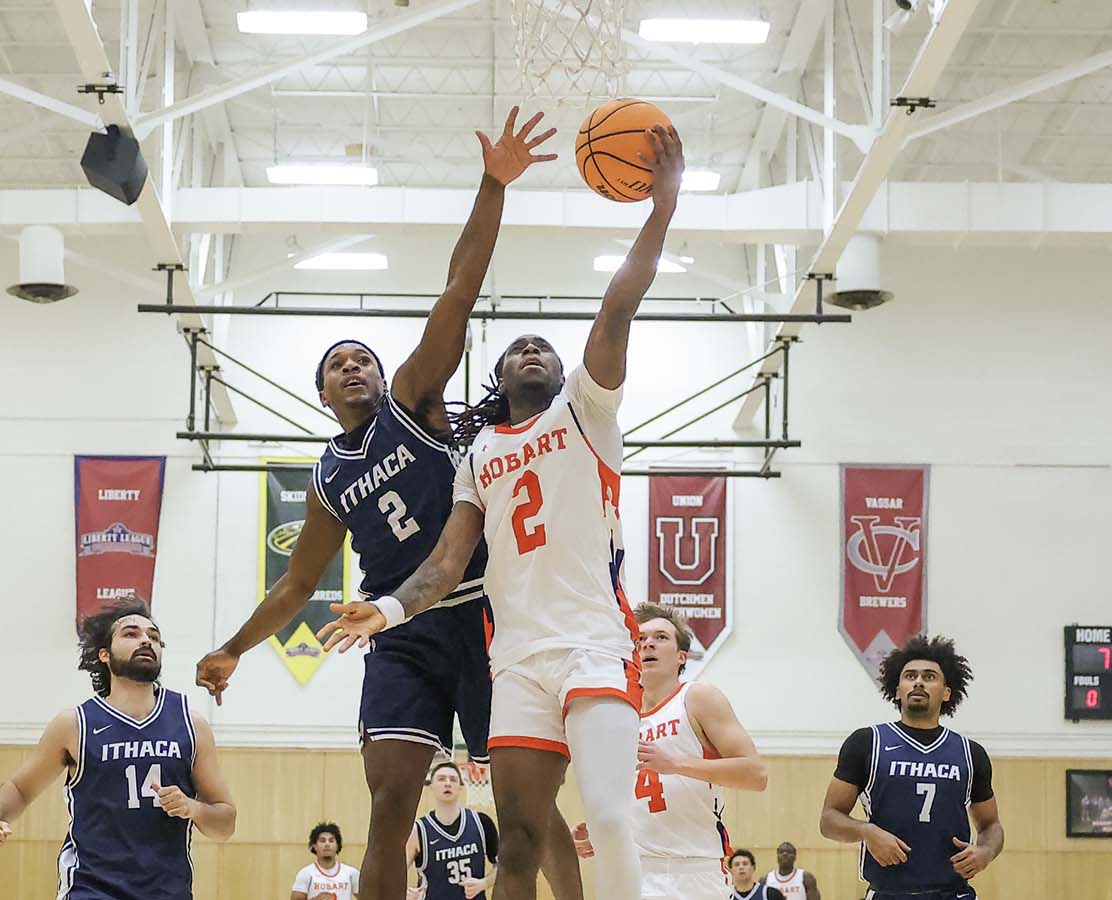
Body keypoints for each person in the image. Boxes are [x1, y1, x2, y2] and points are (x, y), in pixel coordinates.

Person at [195, 107, 581, 900]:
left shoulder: (414, 400)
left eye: (362, 357)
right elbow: (298, 587)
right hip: (400, 636)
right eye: (337, 364)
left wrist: (492, 184)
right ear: (323, 392)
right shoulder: (330, 478)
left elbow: (459, 289)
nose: (353, 368)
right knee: (387, 808)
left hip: (484, 614)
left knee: (525, 814)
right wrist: (234, 647)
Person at [320, 124, 687, 900]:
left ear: (562, 373)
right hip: (514, 657)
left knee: (609, 821)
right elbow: (445, 564)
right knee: (516, 838)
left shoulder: (585, 410)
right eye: (517, 345)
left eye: (543, 348)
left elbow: (618, 307)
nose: (532, 350)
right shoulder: (477, 454)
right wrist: (382, 613)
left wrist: (661, 208)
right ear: (495, 373)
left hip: (592, 642)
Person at [0, 597, 236, 899]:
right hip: (92, 889)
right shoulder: (75, 724)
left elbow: (225, 823)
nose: (146, 641)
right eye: (131, 633)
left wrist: (193, 808)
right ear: (104, 655)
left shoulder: (191, 723)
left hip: (167, 890)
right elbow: (19, 788)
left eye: (154, 637)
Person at [572, 603, 767, 900]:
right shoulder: (619, 714)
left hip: (694, 873)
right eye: (641, 638)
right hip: (632, 871)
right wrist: (603, 831)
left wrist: (674, 764)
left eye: (661, 637)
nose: (648, 643)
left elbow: (756, 774)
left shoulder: (698, 698)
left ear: (681, 657)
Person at [819, 635, 1004, 900]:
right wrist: (866, 831)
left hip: (952, 894)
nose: (918, 681)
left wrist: (986, 852)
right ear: (897, 690)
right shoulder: (867, 743)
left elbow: (991, 825)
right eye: (910, 676)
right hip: (889, 893)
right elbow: (828, 819)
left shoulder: (970, 753)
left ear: (947, 692)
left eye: (929, 676)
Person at [406, 761, 499, 900]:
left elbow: (504, 866)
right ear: (431, 786)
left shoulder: (482, 822)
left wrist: (484, 883)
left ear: (461, 787)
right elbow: (395, 875)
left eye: (453, 779)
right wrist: (406, 893)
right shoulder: (418, 830)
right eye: (442, 779)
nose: (448, 783)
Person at [294, 822, 360, 900]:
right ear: (314, 846)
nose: (327, 844)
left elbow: (367, 897)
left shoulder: (351, 873)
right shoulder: (305, 873)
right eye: (322, 841)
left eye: (331, 841)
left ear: (338, 846)